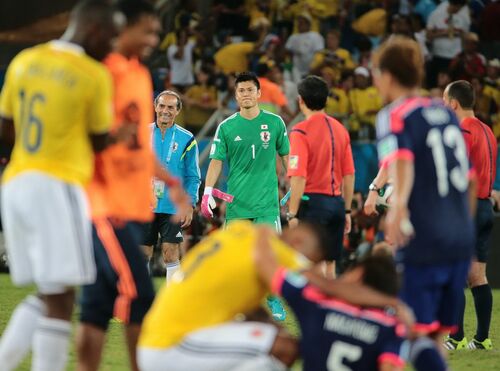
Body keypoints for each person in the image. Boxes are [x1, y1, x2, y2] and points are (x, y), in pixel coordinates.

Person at [0, 2, 124, 371]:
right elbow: (100, 141)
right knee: (63, 297)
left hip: (17, 183)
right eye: (112, 38)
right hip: (57, 185)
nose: (113, 47)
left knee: (51, 291)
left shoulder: (25, 60)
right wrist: (123, 136)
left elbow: (5, 128)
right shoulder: (92, 73)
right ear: (96, 31)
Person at [75, 2, 190, 371]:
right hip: (108, 206)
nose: (153, 40)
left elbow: (139, 150)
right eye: (148, 31)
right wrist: (108, 139)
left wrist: (173, 182)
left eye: (157, 33)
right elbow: (83, 137)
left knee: (95, 309)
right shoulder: (100, 73)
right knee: (142, 299)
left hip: (132, 206)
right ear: (122, 28)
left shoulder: (140, 76)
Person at [137, 221, 410, 371]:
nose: (304, 266)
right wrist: (392, 303)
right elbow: (330, 288)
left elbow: (250, 309)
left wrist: (271, 323)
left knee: (267, 342)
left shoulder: (240, 231)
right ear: (299, 244)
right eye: (309, 261)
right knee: (285, 347)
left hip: (165, 338)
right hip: (172, 344)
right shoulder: (275, 250)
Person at [372, 36, 475, 370]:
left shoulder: (394, 114)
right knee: (433, 339)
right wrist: (464, 227)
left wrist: (398, 209)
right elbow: (470, 180)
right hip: (460, 239)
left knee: (401, 332)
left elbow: (400, 162)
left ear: (387, 75)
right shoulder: (444, 113)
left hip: (424, 238)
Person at [254, 228, 410, 371]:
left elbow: (265, 264)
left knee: (283, 343)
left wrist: (263, 233)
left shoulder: (317, 305)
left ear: (358, 275)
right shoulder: (392, 328)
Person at [201, 71, 289, 320]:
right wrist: (208, 191)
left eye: (250, 89)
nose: (246, 94)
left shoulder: (275, 123)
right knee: (234, 257)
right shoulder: (226, 127)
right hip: (237, 204)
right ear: (236, 96)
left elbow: (286, 155)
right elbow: (216, 161)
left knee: (270, 255)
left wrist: (293, 183)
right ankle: (236, 301)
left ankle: (273, 301)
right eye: (241, 91)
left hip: (267, 205)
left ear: (259, 93)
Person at [443, 80, 497, 350]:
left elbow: (458, 170)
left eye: (444, 100)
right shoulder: (487, 130)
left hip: (467, 209)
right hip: (486, 207)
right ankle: (482, 339)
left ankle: (455, 337)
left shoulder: (462, 129)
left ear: (453, 103)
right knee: (478, 276)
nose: (443, 104)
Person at [287, 75, 355, 276]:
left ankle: (310, 306)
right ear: (326, 100)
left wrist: (292, 212)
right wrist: (348, 210)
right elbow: (349, 175)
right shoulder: (341, 130)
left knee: (309, 265)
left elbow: (299, 176)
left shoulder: (300, 131)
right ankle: (329, 305)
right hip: (337, 204)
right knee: (330, 264)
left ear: (300, 100)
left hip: (313, 203)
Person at [143, 90, 201, 282]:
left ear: (177, 111)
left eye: (170, 107)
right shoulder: (141, 134)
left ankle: (172, 305)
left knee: (171, 253)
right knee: (142, 253)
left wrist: (190, 205)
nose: (165, 111)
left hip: (172, 206)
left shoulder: (187, 139)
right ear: (154, 107)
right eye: (161, 106)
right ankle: (138, 305)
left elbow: (193, 177)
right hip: (144, 204)